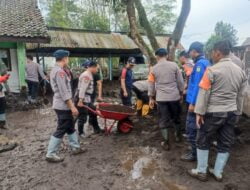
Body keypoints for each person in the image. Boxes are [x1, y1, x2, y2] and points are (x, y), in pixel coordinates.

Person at [188, 40, 247, 182]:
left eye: (212, 52)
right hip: (231, 112)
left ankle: (201, 171)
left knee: (203, 139)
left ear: (218, 52)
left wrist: (199, 113)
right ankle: (218, 172)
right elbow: (241, 95)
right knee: (225, 142)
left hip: (213, 113)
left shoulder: (212, 70)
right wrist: (238, 112)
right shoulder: (240, 72)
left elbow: (204, 93)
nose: (211, 55)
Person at [46, 50, 85, 163]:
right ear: (64, 58)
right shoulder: (59, 72)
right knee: (62, 128)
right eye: (67, 58)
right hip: (63, 106)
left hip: (61, 105)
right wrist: (72, 107)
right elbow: (64, 92)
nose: (68, 60)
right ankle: (51, 153)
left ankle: (75, 147)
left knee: (70, 126)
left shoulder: (58, 70)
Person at [148, 48, 184, 150]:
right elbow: (180, 82)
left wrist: (151, 97)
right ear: (166, 55)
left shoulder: (153, 69)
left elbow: (151, 84)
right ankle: (177, 137)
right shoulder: (174, 65)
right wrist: (181, 93)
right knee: (176, 117)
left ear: (157, 56)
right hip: (174, 97)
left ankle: (166, 142)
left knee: (163, 119)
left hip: (161, 98)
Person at [181, 42, 210, 162]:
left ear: (194, 51)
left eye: (190, 52)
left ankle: (194, 154)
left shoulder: (200, 64)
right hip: (202, 102)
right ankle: (198, 152)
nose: (190, 55)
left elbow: (198, 86)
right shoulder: (206, 62)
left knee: (191, 129)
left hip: (196, 102)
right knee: (200, 128)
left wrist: (192, 104)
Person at [76, 60, 102, 137]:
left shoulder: (89, 74)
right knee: (82, 116)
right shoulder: (86, 75)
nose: (97, 70)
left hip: (87, 98)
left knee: (94, 111)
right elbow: (82, 89)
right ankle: (80, 133)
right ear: (92, 67)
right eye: (96, 68)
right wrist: (80, 100)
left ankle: (97, 129)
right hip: (82, 98)